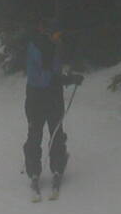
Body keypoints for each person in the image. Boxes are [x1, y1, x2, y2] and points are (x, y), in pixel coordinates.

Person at [23, 16, 81, 195]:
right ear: (47, 32)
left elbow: (55, 72)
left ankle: (57, 166)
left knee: (56, 131)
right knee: (35, 133)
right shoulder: (37, 46)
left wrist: (69, 77)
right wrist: (64, 79)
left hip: (54, 97)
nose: (58, 37)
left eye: (59, 34)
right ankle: (33, 170)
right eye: (56, 34)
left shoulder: (55, 45)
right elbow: (40, 77)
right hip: (37, 97)